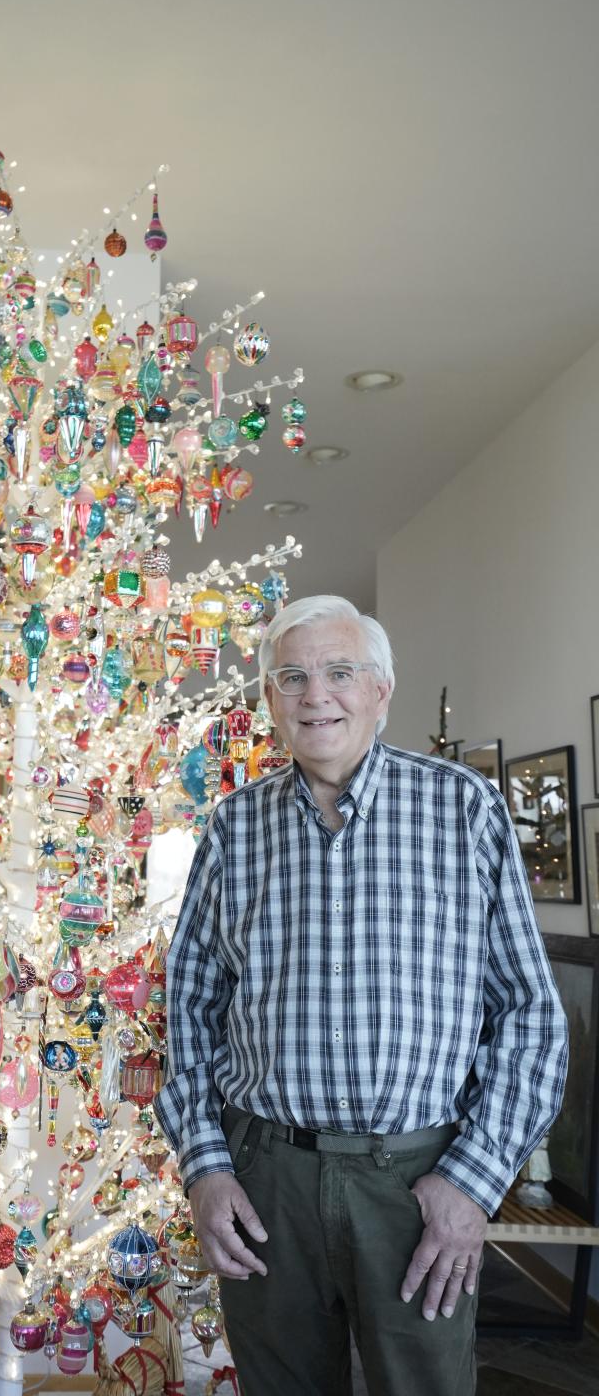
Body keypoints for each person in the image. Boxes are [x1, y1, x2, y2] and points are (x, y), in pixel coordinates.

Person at [154, 595, 568, 1396]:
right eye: (293, 677)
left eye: (340, 672)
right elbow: (190, 1015)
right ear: (270, 701)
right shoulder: (235, 827)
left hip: (417, 1182)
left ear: (381, 690)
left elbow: (530, 1016)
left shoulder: (462, 809)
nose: (317, 696)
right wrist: (206, 1169)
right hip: (265, 1179)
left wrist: (474, 1184)